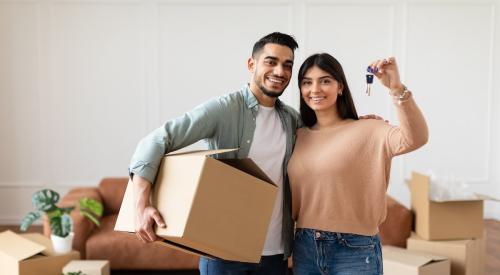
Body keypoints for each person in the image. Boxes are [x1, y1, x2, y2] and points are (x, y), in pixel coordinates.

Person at [129, 32, 301, 275]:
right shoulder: (225, 109)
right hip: (224, 251)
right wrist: (141, 205)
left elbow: (328, 142)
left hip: (275, 254)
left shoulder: (291, 119)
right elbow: (156, 141)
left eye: (287, 65)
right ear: (251, 64)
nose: (280, 71)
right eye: (271, 62)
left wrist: (360, 124)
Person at [288, 53, 429, 275]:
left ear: (340, 87)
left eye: (325, 80)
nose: (314, 89)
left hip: (354, 249)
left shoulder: (369, 129)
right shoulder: (297, 136)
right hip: (305, 247)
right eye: (307, 82)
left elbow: (417, 138)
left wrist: (396, 88)